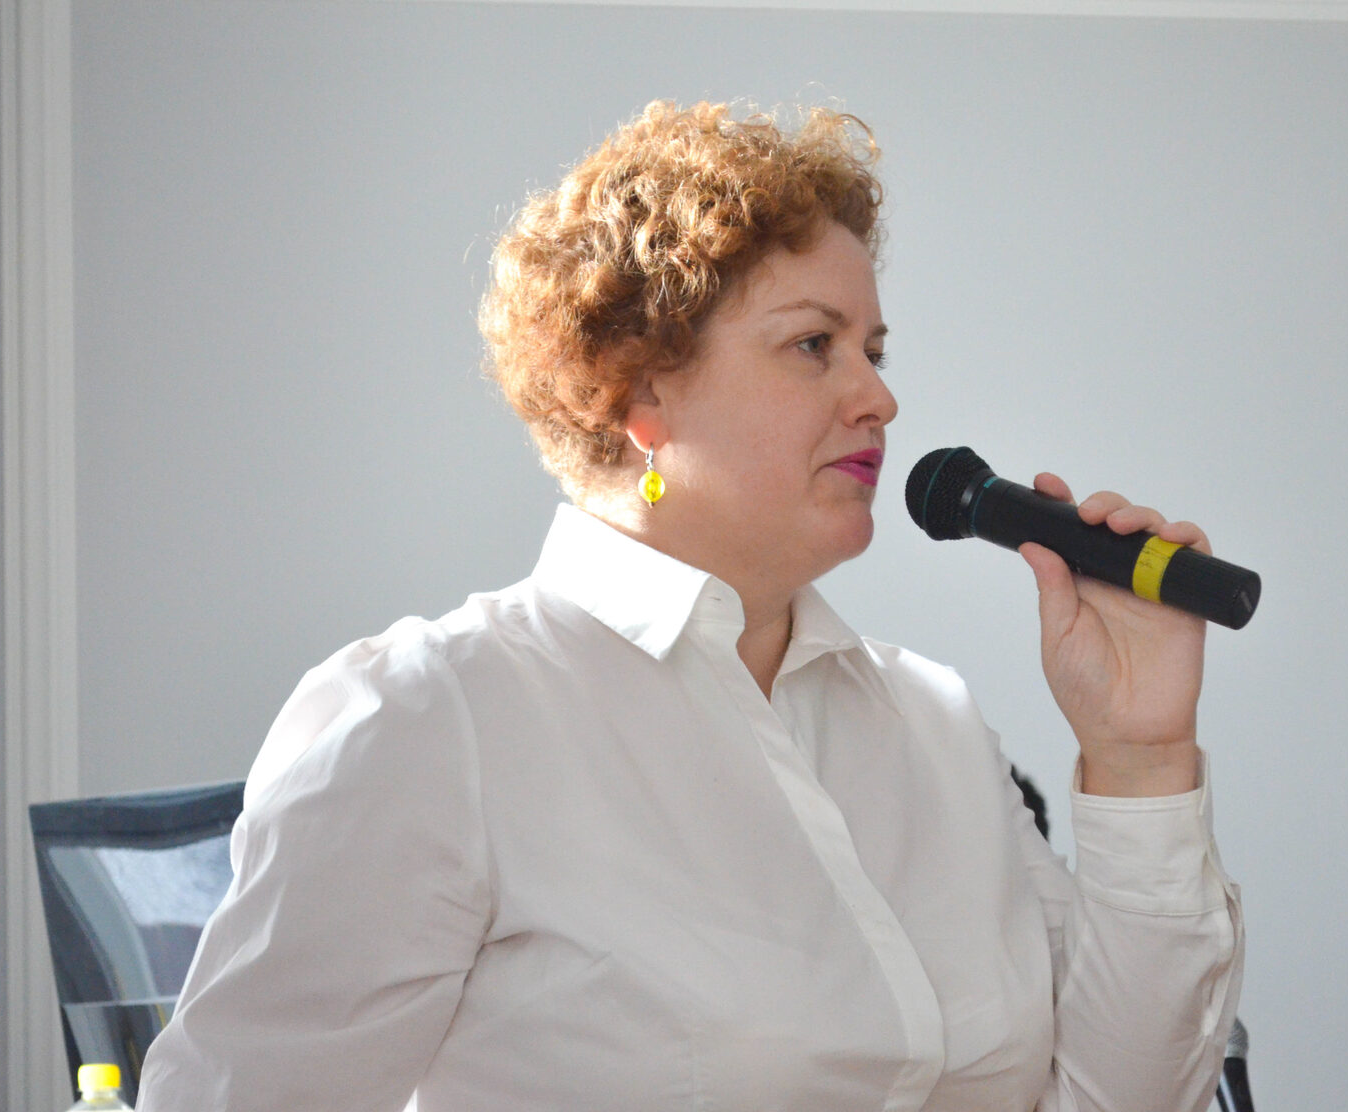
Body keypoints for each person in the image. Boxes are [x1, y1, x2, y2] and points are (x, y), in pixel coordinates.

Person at [138, 99, 1242, 1111]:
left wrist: (1139, 757)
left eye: (873, 350)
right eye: (813, 345)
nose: (878, 395)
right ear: (642, 390)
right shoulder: (436, 718)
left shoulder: (934, 724)